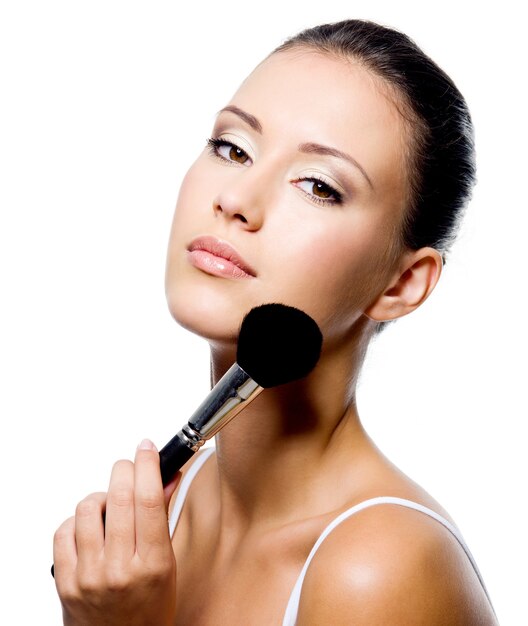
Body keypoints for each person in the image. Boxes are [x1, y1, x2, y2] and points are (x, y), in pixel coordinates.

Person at [53, 19, 498, 625]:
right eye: (233, 148)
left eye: (318, 185)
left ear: (402, 282)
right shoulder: (172, 505)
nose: (237, 198)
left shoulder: (379, 571)